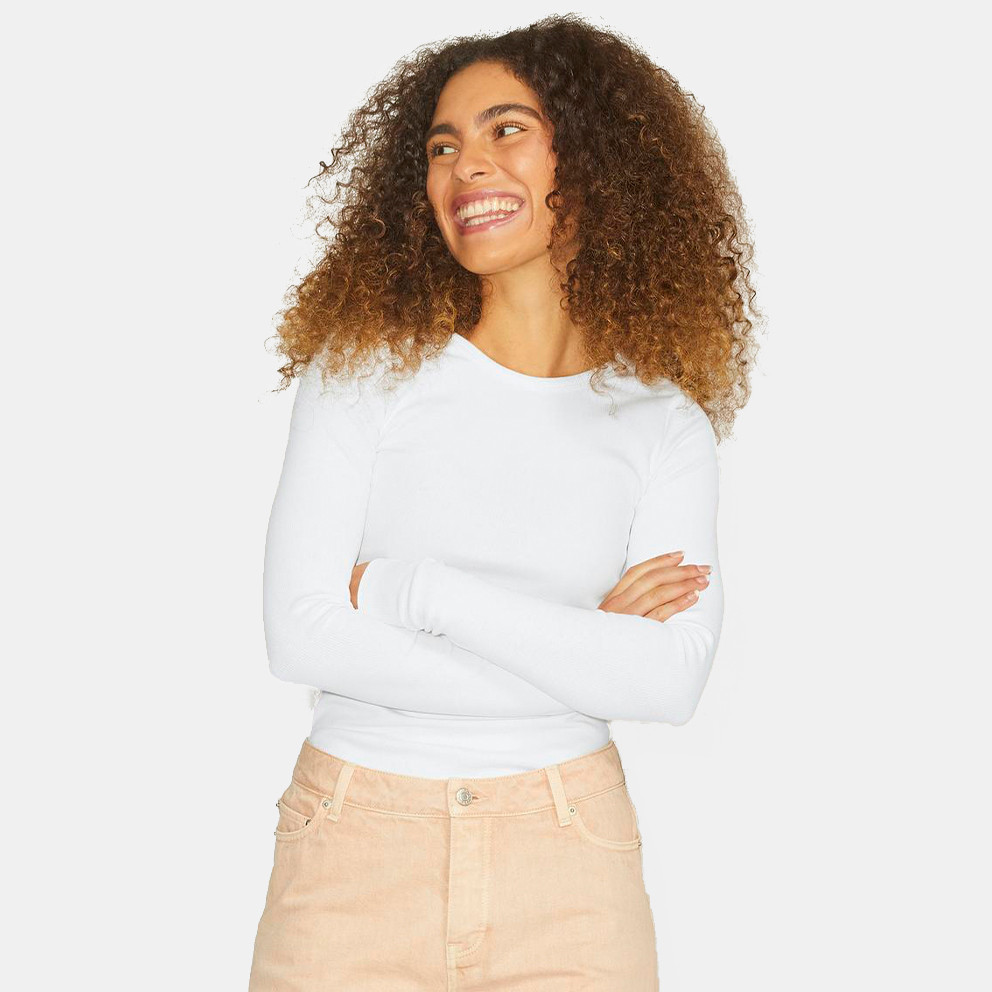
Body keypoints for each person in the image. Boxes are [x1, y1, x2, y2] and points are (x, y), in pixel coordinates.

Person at [248, 14, 760, 991]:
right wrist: (584, 650)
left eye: (506, 130)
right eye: (441, 147)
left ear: (595, 160)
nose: (465, 167)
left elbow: (667, 683)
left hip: (569, 855)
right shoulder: (362, 372)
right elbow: (300, 636)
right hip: (353, 843)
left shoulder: (663, 423)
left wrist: (411, 591)